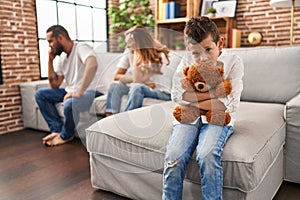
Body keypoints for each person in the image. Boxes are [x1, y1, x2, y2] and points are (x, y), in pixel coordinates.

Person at [162, 16, 244, 200]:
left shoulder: (233, 62)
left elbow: (229, 105)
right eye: (196, 53)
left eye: (208, 49)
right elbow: (177, 96)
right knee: (173, 157)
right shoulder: (186, 63)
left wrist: (194, 99)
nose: (203, 58)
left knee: (207, 155)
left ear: (220, 43)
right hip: (188, 118)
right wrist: (211, 99)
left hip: (218, 119)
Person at [35, 25, 103, 146]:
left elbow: (92, 64)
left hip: (92, 91)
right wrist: (50, 61)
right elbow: (54, 85)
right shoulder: (62, 58)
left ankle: (66, 135)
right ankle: (57, 130)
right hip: (71, 90)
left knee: (69, 104)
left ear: (60, 38)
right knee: (40, 94)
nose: (49, 45)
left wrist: (78, 92)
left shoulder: (81, 47)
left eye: (50, 41)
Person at [105, 25, 172, 117]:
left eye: (130, 43)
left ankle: (126, 119)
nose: (127, 46)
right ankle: (109, 118)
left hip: (162, 91)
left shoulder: (158, 55)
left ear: (138, 43)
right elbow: (118, 77)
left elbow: (138, 80)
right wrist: (142, 83)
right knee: (115, 86)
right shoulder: (129, 51)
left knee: (137, 87)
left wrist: (137, 51)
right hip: (143, 86)